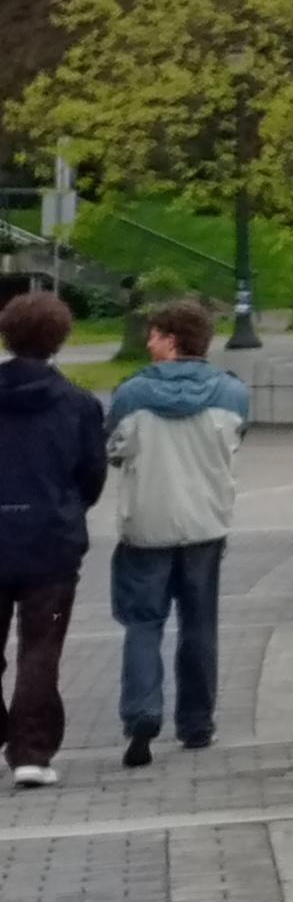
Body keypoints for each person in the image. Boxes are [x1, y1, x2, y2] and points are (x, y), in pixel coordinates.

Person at [106, 297, 250, 768]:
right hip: (205, 524)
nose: (148, 342)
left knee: (143, 623)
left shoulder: (131, 394)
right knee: (199, 624)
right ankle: (197, 723)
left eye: (153, 335)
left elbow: (114, 450)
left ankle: (142, 713)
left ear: (171, 341)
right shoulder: (232, 393)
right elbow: (235, 443)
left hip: (146, 526)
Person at [0, 288, 109, 787]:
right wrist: (67, 509)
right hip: (51, 543)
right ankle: (31, 750)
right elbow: (91, 475)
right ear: (60, 339)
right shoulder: (78, 405)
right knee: (41, 648)